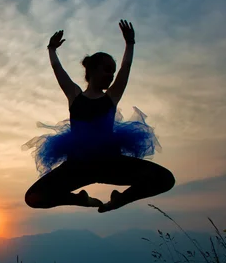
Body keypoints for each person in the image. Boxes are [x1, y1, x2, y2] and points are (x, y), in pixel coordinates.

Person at [22, 20, 175, 213]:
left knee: (165, 179)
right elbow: (58, 71)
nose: (111, 75)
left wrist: (130, 44)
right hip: (78, 166)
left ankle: (120, 200)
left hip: (110, 163)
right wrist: (51, 49)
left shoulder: (111, 97)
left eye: (112, 71)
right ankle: (81, 200)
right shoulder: (74, 95)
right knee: (33, 197)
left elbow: (125, 68)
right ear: (92, 70)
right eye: (107, 69)